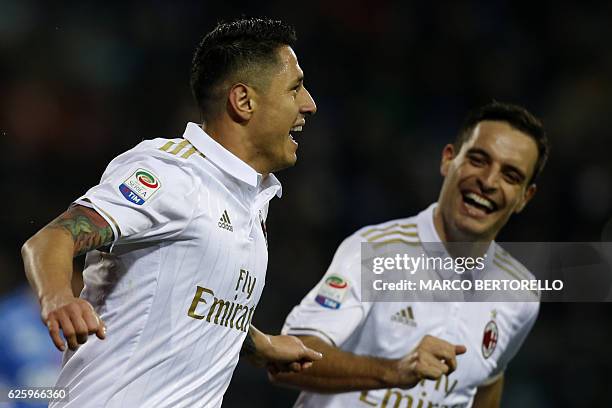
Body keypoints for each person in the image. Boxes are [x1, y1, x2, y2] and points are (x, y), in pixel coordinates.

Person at [21, 17, 321, 407]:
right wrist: (58, 298)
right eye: (294, 88)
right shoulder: (173, 174)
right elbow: (50, 239)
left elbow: (191, 302)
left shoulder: (250, 196)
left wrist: (259, 345)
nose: (308, 104)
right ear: (243, 101)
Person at [271, 101, 549, 407]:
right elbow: (289, 358)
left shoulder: (520, 295)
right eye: (479, 160)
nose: (488, 181)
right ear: (448, 160)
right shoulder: (375, 251)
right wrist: (393, 371)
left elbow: (487, 383)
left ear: (525, 197)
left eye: (510, 175)